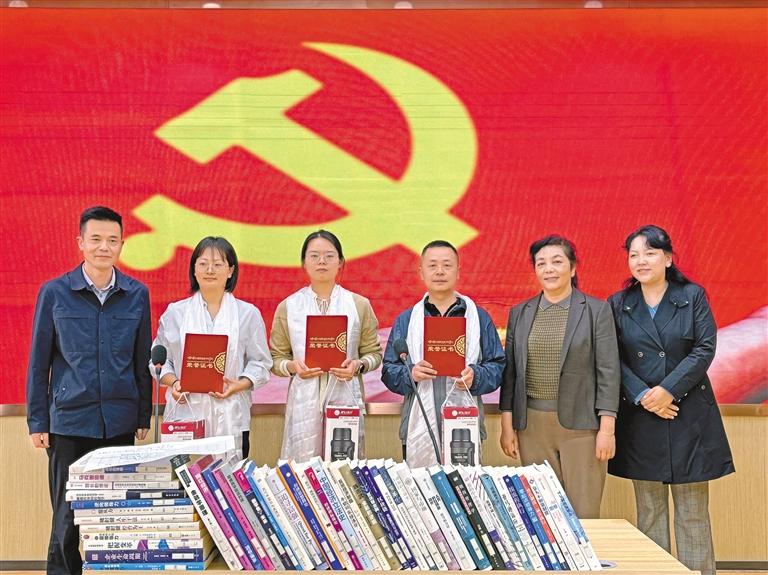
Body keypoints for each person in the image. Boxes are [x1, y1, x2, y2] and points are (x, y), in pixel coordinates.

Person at [26, 206, 152, 575]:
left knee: (114, 517)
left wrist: (143, 414)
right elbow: (39, 363)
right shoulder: (54, 293)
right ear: (80, 243)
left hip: (119, 421)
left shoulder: (137, 294)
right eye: (95, 239)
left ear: (122, 244)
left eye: (112, 240)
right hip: (68, 421)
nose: (104, 247)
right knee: (67, 518)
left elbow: (141, 359)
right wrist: (38, 421)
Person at [607, 225, 734, 575]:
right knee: (649, 511)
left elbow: (704, 348)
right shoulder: (619, 303)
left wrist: (667, 391)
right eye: (634, 254)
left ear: (667, 258)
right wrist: (644, 395)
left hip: (688, 413)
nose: (641, 261)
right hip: (642, 414)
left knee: (693, 512)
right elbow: (611, 358)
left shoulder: (692, 295)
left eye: (649, 253)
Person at [499, 235, 620, 519]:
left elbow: (609, 372)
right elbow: (511, 373)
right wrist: (507, 425)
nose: (549, 269)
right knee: (544, 515)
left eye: (556, 262)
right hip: (531, 427)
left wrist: (607, 430)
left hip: (582, 427)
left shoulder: (596, 310)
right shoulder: (520, 313)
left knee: (583, 513)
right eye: (541, 263)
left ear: (573, 268)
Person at [382, 240, 504, 466]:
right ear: (421, 272)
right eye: (432, 265)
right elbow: (389, 371)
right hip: (417, 427)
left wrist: (475, 376)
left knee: (464, 486)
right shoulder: (407, 320)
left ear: (458, 271)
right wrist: (411, 373)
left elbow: (497, 366)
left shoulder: (478, 317)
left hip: (465, 426)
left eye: (447, 265)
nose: (439, 271)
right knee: (421, 486)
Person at [153, 236, 271, 459]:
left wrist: (238, 385)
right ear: (194, 269)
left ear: (230, 271)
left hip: (232, 413)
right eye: (203, 263)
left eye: (218, 264)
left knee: (229, 478)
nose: (210, 270)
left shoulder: (248, 314)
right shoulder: (175, 313)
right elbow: (159, 359)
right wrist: (174, 383)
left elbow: (261, 363)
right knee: (185, 476)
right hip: (185, 414)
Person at [270, 229, 382, 462]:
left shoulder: (359, 305)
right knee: (303, 468)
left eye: (329, 256)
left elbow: (374, 353)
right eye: (314, 256)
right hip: (303, 403)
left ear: (340, 262)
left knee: (344, 465)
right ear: (303, 262)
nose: (321, 261)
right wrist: (293, 367)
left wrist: (358, 365)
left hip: (346, 398)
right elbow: (275, 358)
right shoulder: (289, 307)